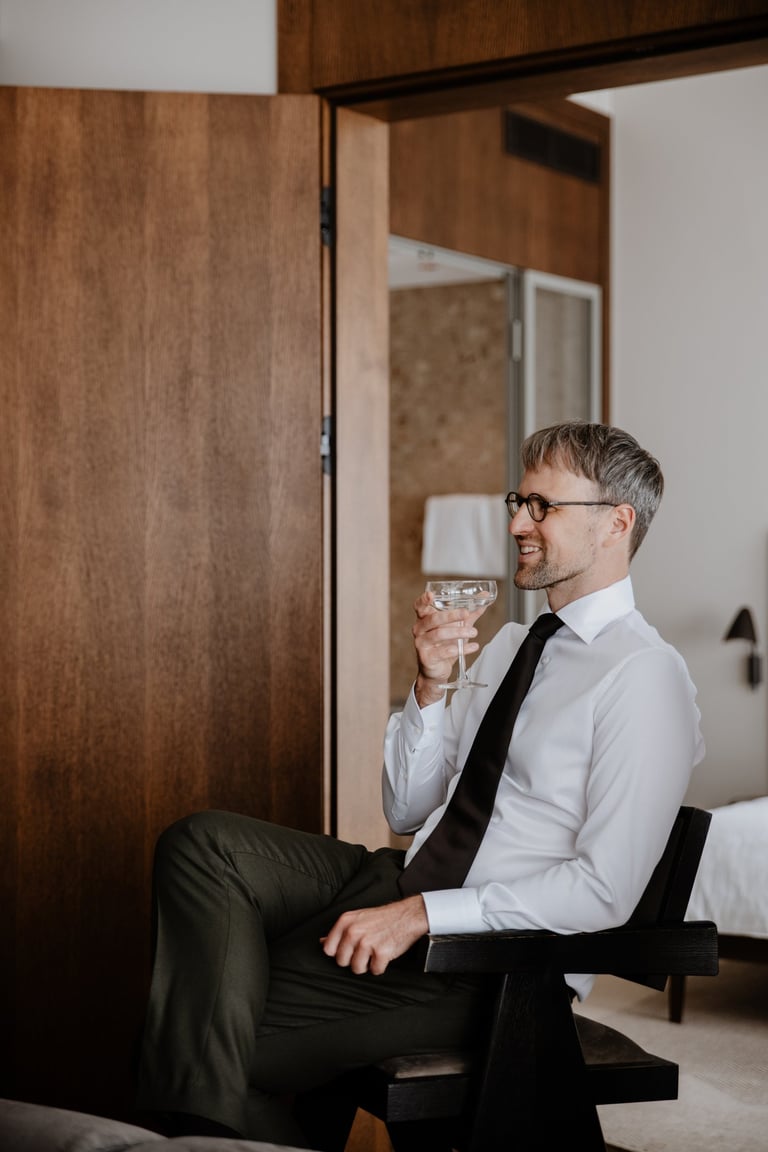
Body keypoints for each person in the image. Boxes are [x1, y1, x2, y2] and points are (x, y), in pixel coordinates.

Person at [135, 420, 704, 1147]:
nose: (516, 523)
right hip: (403, 877)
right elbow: (408, 808)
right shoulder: (513, 644)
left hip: (486, 964)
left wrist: (422, 915)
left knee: (210, 1040)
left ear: (616, 523)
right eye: (518, 501)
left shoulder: (644, 676)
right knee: (204, 845)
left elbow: (605, 890)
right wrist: (430, 689)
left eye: (542, 506)